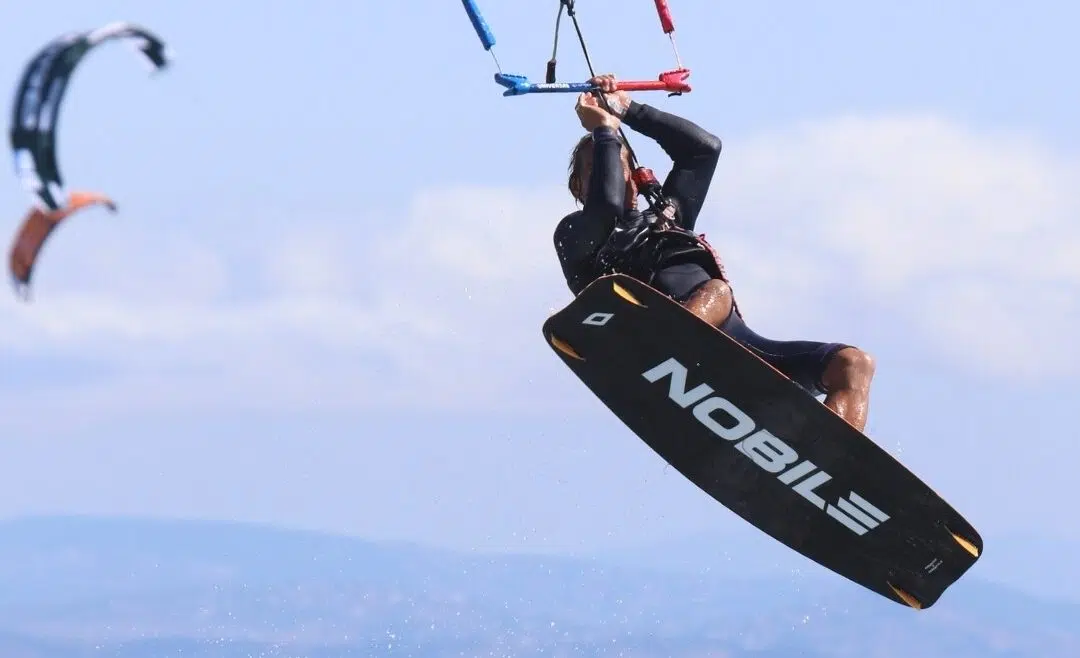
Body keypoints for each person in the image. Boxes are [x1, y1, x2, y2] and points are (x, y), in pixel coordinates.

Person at [552, 74, 875, 432]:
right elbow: (606, 205)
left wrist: (627, 110)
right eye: (598, 165)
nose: (613, 172)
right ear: (577, 185)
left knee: (853, 364)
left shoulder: (668, 214)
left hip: (730, 349)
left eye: (619, 164)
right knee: (718, 292)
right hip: (646, 346)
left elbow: (704, 149)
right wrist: (605, 132)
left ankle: (834, 467)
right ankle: (670, 358)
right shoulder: (575, 234)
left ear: (637, 175)